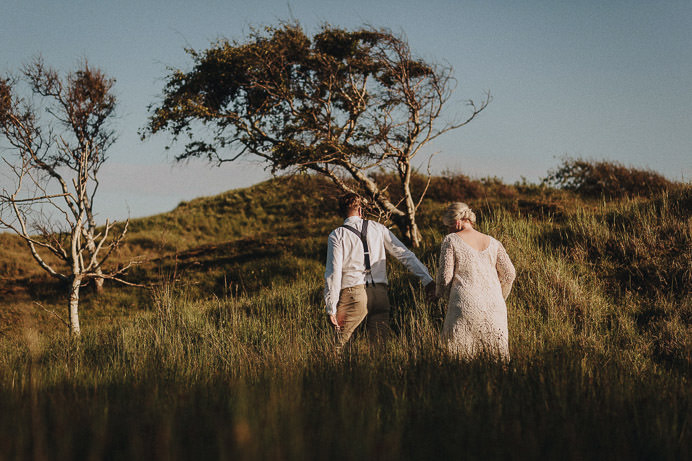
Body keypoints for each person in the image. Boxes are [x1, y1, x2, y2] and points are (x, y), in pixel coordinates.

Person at [324, 193, 435, 347]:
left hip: (354, 294)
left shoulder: (337, 235)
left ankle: (336, 371)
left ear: (341, 213)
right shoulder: (378, 228)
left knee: (338, 346)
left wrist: (331, 306)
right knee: (379, 349)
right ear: (361, 211)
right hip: (380, 293)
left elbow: (333, 272)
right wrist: (427, 279)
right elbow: (404, 254)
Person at [435, 202, 516, 360]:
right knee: (496, 360)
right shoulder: (494, 242)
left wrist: (439, 295)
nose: (449, 230)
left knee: (458, 360)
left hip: (464, 304)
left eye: (448, 226)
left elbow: (445, 277)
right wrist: (500, 297)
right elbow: (509, 274)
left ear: (457, 222)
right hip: (495, 307)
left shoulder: (451, 240)